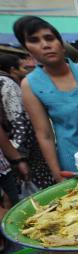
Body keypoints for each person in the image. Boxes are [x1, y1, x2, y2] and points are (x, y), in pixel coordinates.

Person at [14, 16, 78, 180]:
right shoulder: (31, 84)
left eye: (49, 38)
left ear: (61, 43)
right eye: (34, 40)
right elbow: (45, 135)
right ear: (28, 49)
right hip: (76, 163)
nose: (45, 45)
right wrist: (57, 174)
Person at [0, 54, 54, 188]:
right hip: (26, 152)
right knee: (40, 187)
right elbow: (20, 121)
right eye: (23, 67)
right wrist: (20, 156)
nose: (26, 70)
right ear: (13, 69)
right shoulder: (8, 83)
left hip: (9, 151)